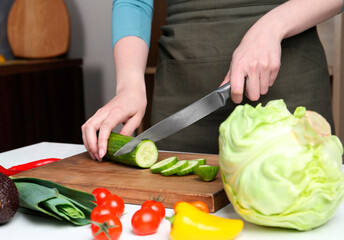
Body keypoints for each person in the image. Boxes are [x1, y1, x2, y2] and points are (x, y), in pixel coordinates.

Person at [82, 0, 344, 161]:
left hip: (288, 83)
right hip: (183, 88)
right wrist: (129, 85)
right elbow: (134, 1)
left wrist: (271, 27)